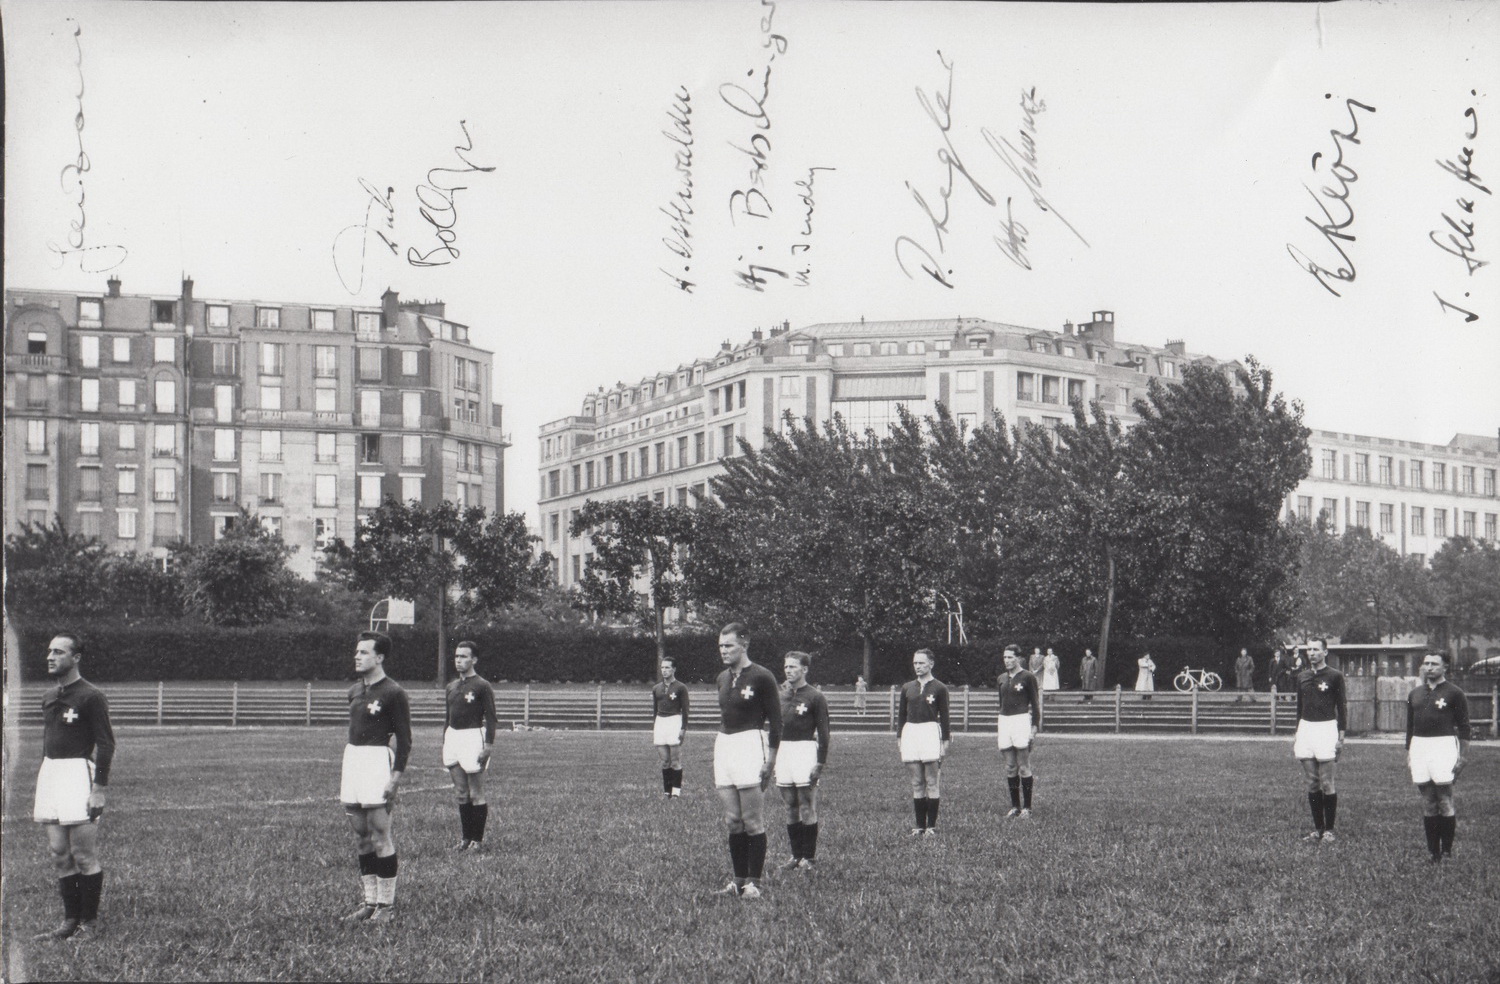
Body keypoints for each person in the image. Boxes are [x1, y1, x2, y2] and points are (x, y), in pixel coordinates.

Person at [31, 631, 115, 942]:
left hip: (78, 775)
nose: (50, 657)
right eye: (49, 651)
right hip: (51, 774)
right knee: (58, 853)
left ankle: (89, 924)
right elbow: (47, 744)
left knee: (83, 854)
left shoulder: (91, 696)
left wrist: (98, 789)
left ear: (75, 658)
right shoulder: (49, 697)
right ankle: (69, 921)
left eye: (59, 652)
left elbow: (106, 745)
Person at [341, 631, 412, 925]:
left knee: (380, 835)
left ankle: (387, 906)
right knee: (361, 836)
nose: (357, 656)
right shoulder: (354, 691)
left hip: (376, 761)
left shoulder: (394, 693)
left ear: (379, 657)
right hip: (353, 760)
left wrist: (395, 778)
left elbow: (405, 740)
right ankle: (370, 902)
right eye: (357, 652)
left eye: (364, 652)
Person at [713, 623, 781, 899]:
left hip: (750, 744)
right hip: (724, 745)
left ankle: (754, 883)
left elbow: (776, 721)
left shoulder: (762, 676)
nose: (723, 651)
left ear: (744, 645)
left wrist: (772, 759)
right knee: (733, 820)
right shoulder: (722, 677)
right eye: (720, 646)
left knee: (752, 820)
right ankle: (738, 881)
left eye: (728, 645)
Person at [1405, 653, 1470, 862]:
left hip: (1443, 746)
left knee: (1444, 798)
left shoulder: (1455, 693)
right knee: (1427, 800)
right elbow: (1409, 727)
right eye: (1426, 663)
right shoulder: (1415, 693)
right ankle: (1433, 853)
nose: (1429, 667)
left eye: (1434, 664)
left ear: (1445, 667)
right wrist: (1409, 752)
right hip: (1419, 746)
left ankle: (1447, 852)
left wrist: (1462, 757)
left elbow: (1464, 728)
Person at [775, 652, 831, 871]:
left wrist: (820, 761)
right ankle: (795, 856)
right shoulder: (780, 695)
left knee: (807, 805)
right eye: (786, 666)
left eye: (793, 667)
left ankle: (809, 857)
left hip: (805, 750)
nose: (788, 670)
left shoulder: (815, 696)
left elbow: (824, 732)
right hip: (783, 751)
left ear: (805, 669)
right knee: (790, 806)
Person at [443, 640, 497, 851]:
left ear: (474, 660)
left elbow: (491, 718)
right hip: (453, 738)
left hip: (473, 737)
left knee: (476, 793)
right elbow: (447, 718)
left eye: (464, 656)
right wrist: (445, 740)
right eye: (457, 656)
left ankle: (477, 840)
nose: (459, 660)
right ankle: (465, 839)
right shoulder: (451, 686)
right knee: (461, 793)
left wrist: (488, 746)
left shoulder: (482, 685)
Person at [1293, 639, 1346, 843]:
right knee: (1312, 782)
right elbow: (1299, 707)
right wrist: (1298, 731)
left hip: (1326, 728)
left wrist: (1341, 736)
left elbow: (1342, 707)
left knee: (1326, 781)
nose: (1312, 653)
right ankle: (1318, 829)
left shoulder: (1334, 676)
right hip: (1306, 728)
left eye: (1316, 649)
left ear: (1325, 652)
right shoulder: (1302, 676)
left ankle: (1329, 830)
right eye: (1309, 650)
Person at [897, 649, 951, 837]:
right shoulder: (907, 687)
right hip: (911, 732)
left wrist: (945, 741)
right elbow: (901, 715)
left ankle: (931, 827)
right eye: (915, 663)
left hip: (929, 732)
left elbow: (944, 717)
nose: (918, 666)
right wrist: (900, 738)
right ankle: (919, 826)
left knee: (931, 781)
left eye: (921, 663)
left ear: (931, 664)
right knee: (917, 782)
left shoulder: (940, 688)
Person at [996, 646, 1041, 818]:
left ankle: (1027, 807)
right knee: (1010, 766)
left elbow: (1036, 704)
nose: (1007, 660)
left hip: (1021, 720)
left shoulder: (1028, 677)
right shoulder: (1001, 678)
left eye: (1010, 657)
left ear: (1018, 659)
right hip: (1004, 721)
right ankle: (1015, 806)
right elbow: (1001, 703)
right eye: (1005, 657)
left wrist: (1034, 726)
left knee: (1023, 766)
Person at [652, 656, 690, 798]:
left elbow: (685, 710)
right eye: (662, 667)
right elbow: (654, 711)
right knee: (664, 761)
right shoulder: (656, 688)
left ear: (674, 669)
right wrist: (655, 726)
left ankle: (676, 793)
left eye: (667, 667)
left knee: (675, 761)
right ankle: (667, 792)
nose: (664, 670)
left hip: (674, 721)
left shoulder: (681, 687)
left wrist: (683, 728)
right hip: (660, 723)